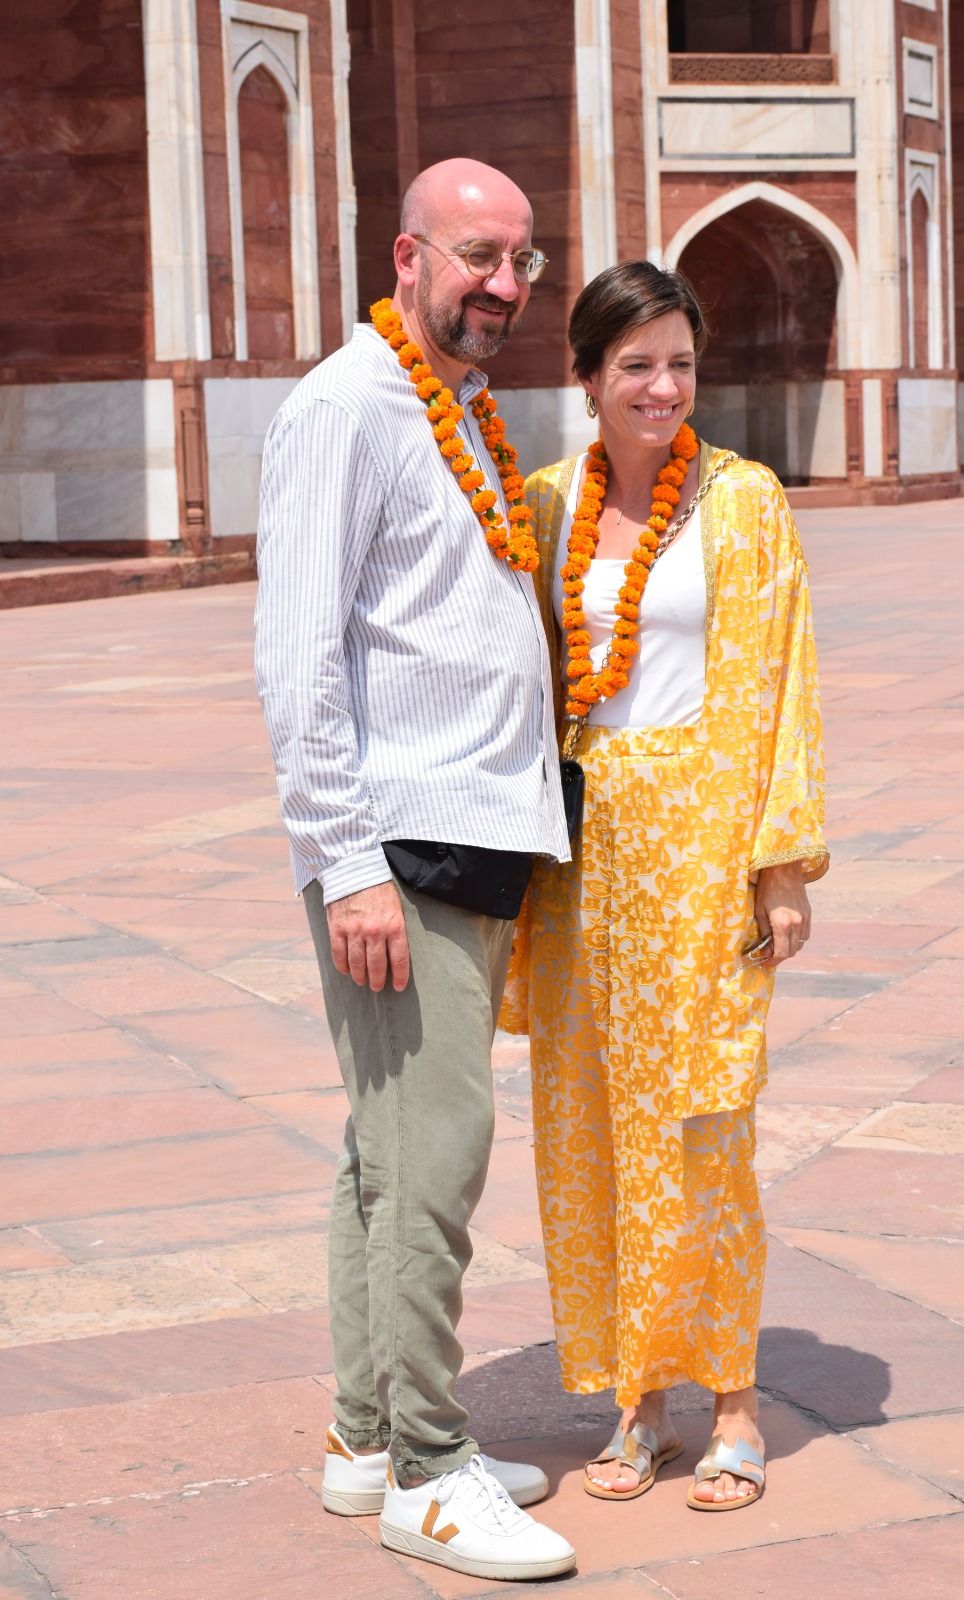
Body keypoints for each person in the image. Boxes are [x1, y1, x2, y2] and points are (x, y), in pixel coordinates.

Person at [254, 159, 576, 1583]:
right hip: (403, 843)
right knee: (433, 1159)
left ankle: (367, 1436)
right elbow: (298, 651)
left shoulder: (457, 406)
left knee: (383, 1155)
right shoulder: (345, 405)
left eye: (523, 261)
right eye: (476, 256)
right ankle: (431, 1475)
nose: (502, 284)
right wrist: (347, 861)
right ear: (406, 255)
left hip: (474, 826)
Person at [502, 259, 828, 1513]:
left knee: (704, 1126)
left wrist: (780, 860)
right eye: (634, 363)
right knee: (592, 1130)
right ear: (586, 376)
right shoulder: (541, 507)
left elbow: (788, 678)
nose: (662, 385)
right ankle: (633, 1398)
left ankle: (734, 1399)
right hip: (583, 868)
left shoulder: (744, 503)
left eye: (680, 362)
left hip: (703, 855)